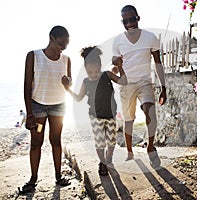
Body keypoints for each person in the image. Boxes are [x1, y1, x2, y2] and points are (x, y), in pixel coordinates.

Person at [112, 5, 167, 168]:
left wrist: (163, 86)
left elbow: (158, 62)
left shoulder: (150, 37)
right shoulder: (118, 41)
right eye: (126, 21)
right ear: (123, 22)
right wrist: (115, 64)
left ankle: (150, 147)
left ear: (138, 18)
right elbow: (116, 66)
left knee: (151, 112)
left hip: (145, 82)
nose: (130, 23)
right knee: (129, 119)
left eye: (132, 19)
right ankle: (130, 152)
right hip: (126, 84)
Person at [20, 25, 72, 194]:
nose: (62, 48)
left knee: (56, 140)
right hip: (38, 108)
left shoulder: (66, 60)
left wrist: (68, 83)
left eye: (65, 45)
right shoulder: (33, 56)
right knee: (36, 141)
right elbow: (27, 86)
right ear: (51, 38)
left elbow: (68, 86)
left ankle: (58, 176)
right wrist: (29, 114)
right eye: (60, 43)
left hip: (58, 107)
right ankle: (33, 179)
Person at [63, 46, 127, 176]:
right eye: (90, 72)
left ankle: (108, 159)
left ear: (101, 66)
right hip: (95, 117)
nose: (93, 75)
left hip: (111, 116)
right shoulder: (86, 82)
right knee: (100, 142)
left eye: (96, 72)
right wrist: (67, 89)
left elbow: (124, 81)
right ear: (85, 69)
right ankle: (102, 163)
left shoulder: (107, 75)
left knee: (112, 141)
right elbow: (78, 98)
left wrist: (120, 66)